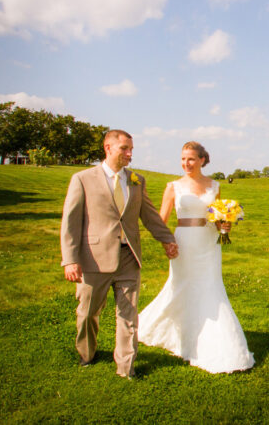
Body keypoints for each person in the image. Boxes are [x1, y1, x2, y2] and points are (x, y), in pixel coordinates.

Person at [60, 129, 178, 378]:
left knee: (128, 315)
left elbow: (149, 215)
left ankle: (126, 367)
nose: (129, 154)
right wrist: (70, 260)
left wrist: (167, 239)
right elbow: (70, 222)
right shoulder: (82, 179)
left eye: (131, 149)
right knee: (88, 313)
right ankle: (87, 353)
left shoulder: (137, 180)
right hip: (93, 258)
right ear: (108, 147)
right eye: (125, 148)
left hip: (129, 257)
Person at [138, 141, 254, 373]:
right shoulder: (173, 187)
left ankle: (213, 340)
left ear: (202, 159)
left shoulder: (215, 185)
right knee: (182, 286)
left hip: (209, 243)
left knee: (211, 287)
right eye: (183, 159)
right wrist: (166, 242)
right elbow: (162, 218)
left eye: (190, 159)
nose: (186, 163)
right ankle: (177, 331)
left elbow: (217, 215)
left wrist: (225, 226)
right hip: (184, 243)